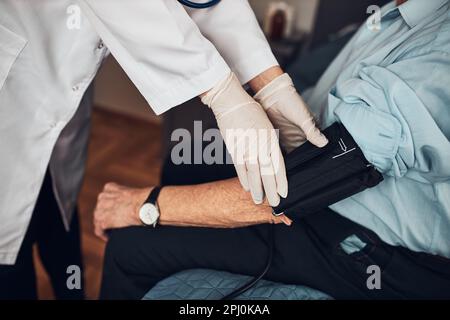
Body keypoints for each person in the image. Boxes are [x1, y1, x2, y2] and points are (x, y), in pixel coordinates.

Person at [94, 0, 450, 299]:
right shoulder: (400, 12)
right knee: (188, 159)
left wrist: (144, 206)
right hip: (330, 205)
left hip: (370, 250)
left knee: (130, 246)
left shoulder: (438, 48)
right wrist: (263, 89)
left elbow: (308, 184)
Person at [0, 0, 326, 299]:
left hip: (62, 94)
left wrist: (269, 82)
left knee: (57, 212)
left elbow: (205, 2)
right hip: (17, 70)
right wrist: (221, 91)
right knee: (9, 244)